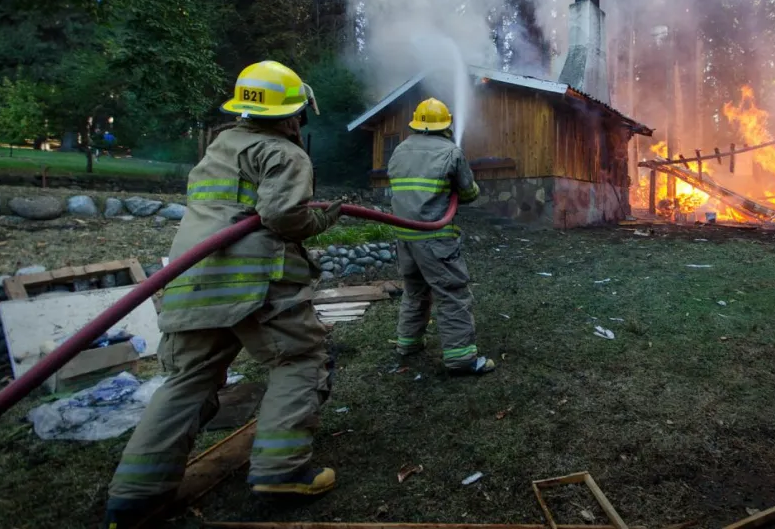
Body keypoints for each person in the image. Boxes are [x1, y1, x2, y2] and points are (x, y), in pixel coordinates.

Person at [103, 61, 343, 528]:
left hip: (192, 279)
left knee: (188, 380)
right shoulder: (284, 153)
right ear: (293, 115)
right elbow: (284, 217)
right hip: (255, 282)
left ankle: (134, 496)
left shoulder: (219, 148)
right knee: (298, 359)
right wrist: (323, 219)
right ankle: (282, 470)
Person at [387, 97, 494, 375]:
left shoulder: (399, 150)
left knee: (415, 291)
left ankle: (408, 343)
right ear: (446, 125)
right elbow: (469, 194)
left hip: (404, 237)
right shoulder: (451, 152)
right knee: (452, 294)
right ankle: (460, 359)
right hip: (434, 238)